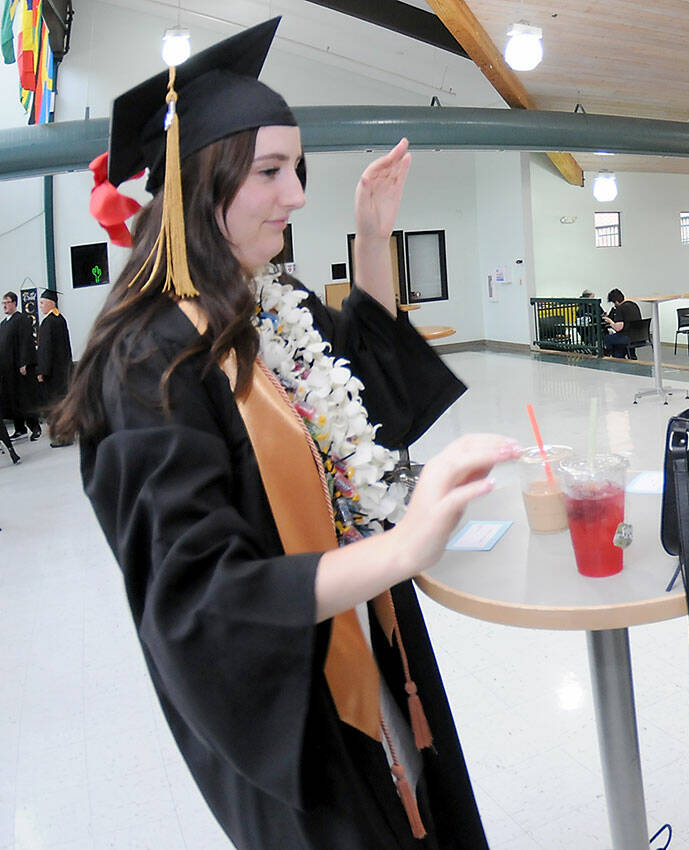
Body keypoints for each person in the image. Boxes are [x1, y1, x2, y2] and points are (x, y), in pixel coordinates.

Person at [51, 19, 519, 850]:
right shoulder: (146, 361)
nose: (297, 194)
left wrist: (374, 236)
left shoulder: (263, 301)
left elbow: (363, 404)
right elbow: (199, 595)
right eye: (270, 171)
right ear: (199, 181)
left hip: (370, 639)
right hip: (288, 706)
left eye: (296, 170)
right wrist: (403, 548)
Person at [0, 290, 40, 440]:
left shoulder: (22, 319)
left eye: (7, 303)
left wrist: (24, 362)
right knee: (12, 400)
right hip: (8, 370)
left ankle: (34, 426)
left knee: (25, 399)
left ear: (14, 303)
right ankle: (19, 428)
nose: (4, 306)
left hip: (20, 369)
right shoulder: (3, 324)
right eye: (3, 303)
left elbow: (26, 342)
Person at [36, 288, 73, 445]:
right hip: (63, 370)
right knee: (63, 401)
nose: (40, 306)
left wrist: (41, 370)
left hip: (52, 373)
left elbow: (45, 349)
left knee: (54, 405)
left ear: (51, 303)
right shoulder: (61, 319)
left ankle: (61, 436)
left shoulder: (48, 322)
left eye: (43, 303)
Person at [603, 287, 642, 358]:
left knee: (607, 338)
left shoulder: (620, 308)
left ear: (616, 302)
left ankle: (611, 355)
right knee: (618, 347)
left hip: (627, 337)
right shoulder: (634, 304)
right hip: (638, 336)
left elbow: (618, 328)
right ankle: (626, 355)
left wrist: (610, 321)